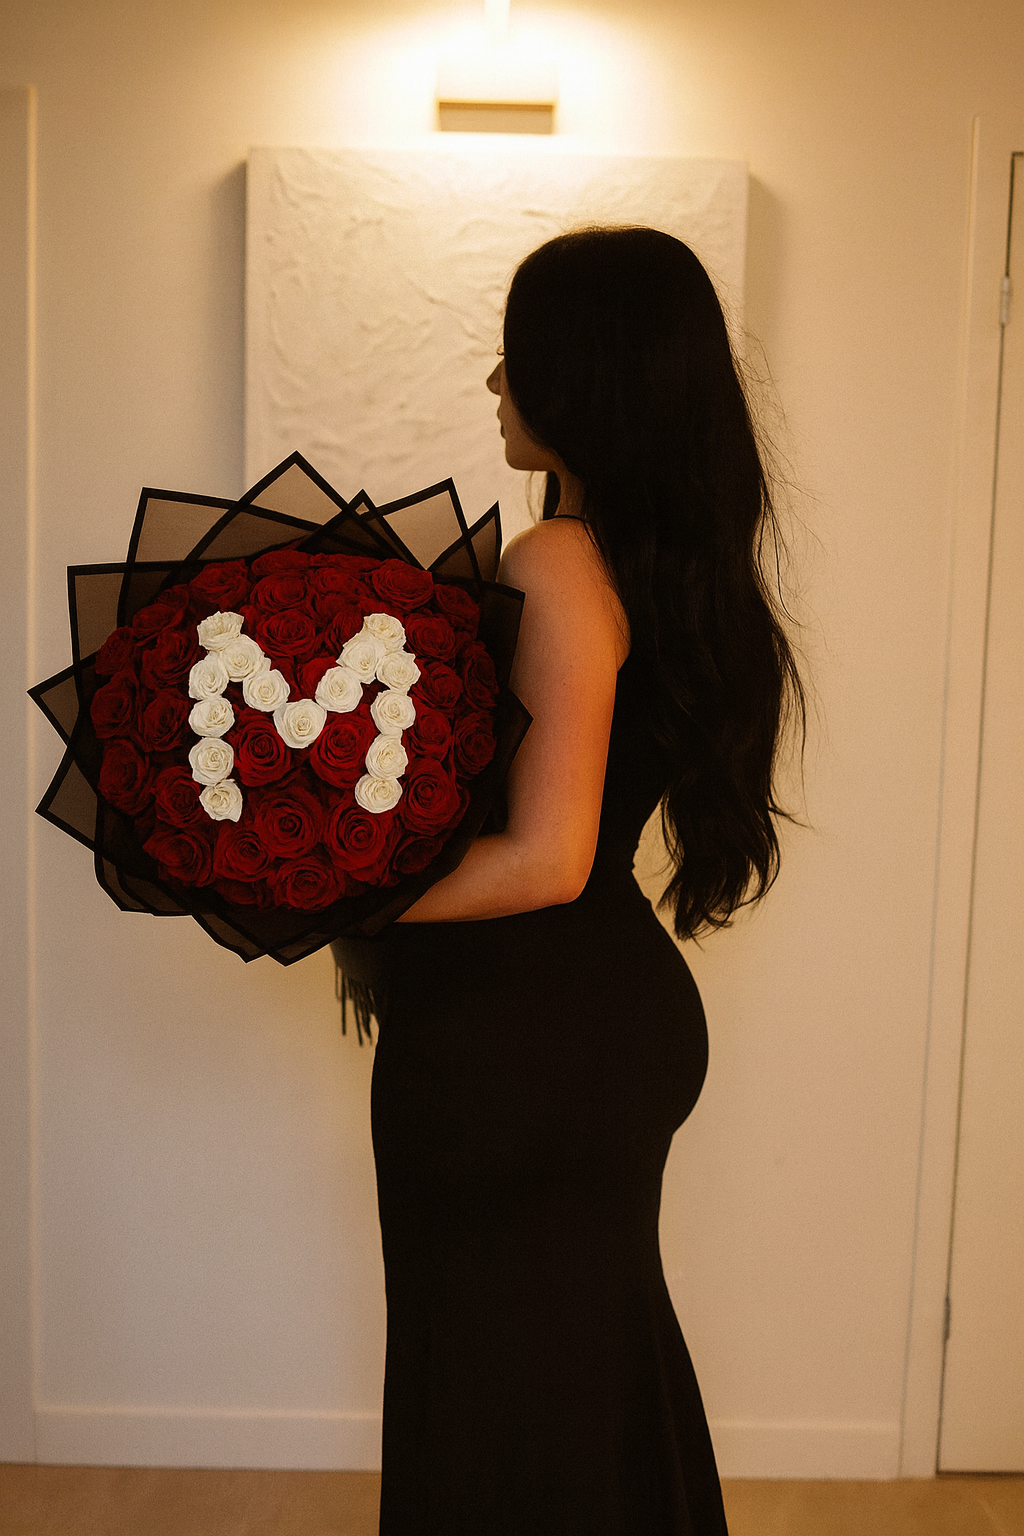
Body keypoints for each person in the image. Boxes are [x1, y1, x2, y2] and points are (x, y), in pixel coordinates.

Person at [369, 226, 805, 1535]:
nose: (496, 383)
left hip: (526, 1037)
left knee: (498, 1392)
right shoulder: (666, 564)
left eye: (517, 357)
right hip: (593, 1021)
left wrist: (327, 892)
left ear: (583, 375)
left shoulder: (558, 562)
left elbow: (546, 859)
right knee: (580, 1369)